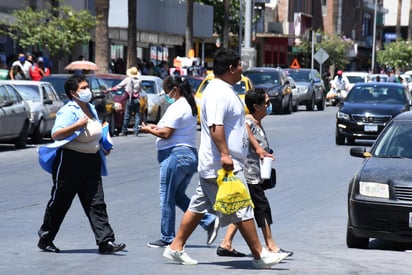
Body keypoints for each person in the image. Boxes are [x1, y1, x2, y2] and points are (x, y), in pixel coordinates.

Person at [162, 48, 288, 269]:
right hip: (223, 165)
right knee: (242, 207)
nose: (242, 69)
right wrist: (225, 155)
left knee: (197, 205)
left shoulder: (224, 90)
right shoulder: (219, 92)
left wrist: (254, 148)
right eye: (240, 65)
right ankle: (260, 255)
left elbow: (235, 126)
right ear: (231, 68)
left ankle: (175, 247)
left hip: (218, 164)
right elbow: (215, 127)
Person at [37, 74, 126, 254]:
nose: (88, 91)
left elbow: (96, 131)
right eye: (83, 88)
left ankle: (105, 241)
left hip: (91, 161)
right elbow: (56, 134)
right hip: (70, 161)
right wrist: (77, 125)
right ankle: (46, 238)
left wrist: (103, 144)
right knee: (61, 202)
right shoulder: (68, 111)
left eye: (87, 87)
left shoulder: (91, 108)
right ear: (73, 93)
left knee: (96, 202)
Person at [140, 76, 219, 248]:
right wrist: (153, 127)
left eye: (167, 91)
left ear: (175, 89)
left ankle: (167, 237)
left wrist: (148, 130)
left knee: (166, 196)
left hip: (176, 156)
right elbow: (173, 129)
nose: (166, 94)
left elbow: (166, 134)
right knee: (176, 196)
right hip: (187, 156)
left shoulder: (178, 106)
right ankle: (208, 220)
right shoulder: (188, 105)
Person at [217, 88, 293, 258]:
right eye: (266, 103)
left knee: (245, 210)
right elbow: (245, 129)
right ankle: (270, 245)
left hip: (257, 173)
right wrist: (258, 149)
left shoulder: (256, 121)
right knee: (262, 208)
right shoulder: (248, 121)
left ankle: (226, 243)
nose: (269, 105)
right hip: (250, 175)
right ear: (256, 106)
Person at [111, 66, 142, 136]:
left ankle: (124, 130)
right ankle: (136, 130)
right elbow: (140, 89)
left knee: (127, 115)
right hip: (137, 99)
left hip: (130, 99)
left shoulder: (128, 80)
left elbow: (119, 86)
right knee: (137, 115)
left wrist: (111, 89)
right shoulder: (139, 81)